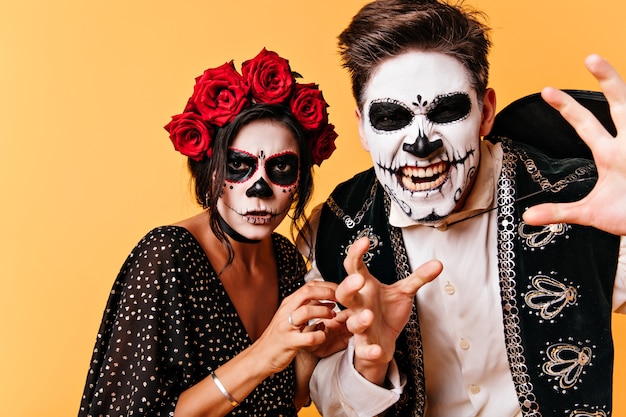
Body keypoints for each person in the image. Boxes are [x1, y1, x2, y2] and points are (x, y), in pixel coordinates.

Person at [299, 1, 626, 416]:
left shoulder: (578, 201)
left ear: (485, 112)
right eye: (390, 117)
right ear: (362, 127)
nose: (421, 144)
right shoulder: (331, 229)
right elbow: (329, 403)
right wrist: (369, 362)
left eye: (447, 110)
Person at [78, 48, 349, 417]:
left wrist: (311, 351)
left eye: (281, 167)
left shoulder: (287, 260)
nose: (260, 189)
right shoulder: (167, 256)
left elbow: (287, 402)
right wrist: (263, 354)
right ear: (211, 170)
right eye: (239, 165)